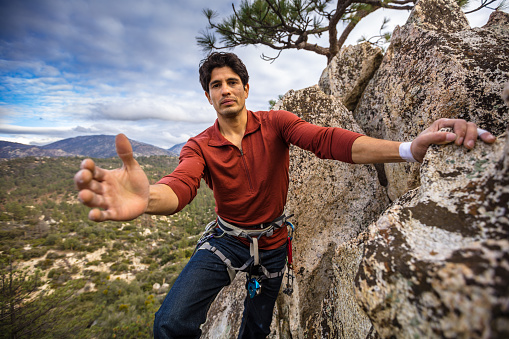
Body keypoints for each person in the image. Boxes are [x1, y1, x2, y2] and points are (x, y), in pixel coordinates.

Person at [74, 52, 496, 338]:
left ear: (246, 88)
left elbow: (328, 140)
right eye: (216, 85)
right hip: (226, 240)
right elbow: (181, 185)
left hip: (273, 245)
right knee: (170, 321)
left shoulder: (276, 123)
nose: (225, 89)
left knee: (256, 328)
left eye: (232, 81)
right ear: (208, 96)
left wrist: (408, 149)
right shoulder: (199, 145)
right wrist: (147, 200)